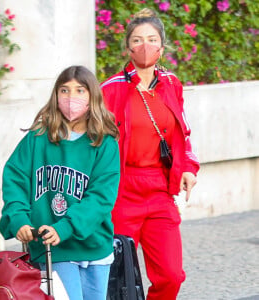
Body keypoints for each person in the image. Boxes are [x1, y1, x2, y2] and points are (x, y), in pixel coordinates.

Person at [101, 8, 200, 300]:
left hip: (158, 189)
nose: (145, 46)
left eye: (152, 39)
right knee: (118, 275)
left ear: (162, 46)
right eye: (137, 40)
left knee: (171, 275)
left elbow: (183, 132)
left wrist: (188, 167)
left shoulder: (171, 84)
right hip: (121, 189)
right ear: (128, 47)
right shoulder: (110, 90)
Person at [0, 65, 120, 300]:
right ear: (55, 95)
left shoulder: (104, 143)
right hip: (52, 246)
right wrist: (19, 219)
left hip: (95, 244)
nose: (71, 98)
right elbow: (15, 180)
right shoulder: (37, 138)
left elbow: (101, 197)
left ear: (92, 96)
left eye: (79, 91)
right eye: (64, 91)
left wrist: (67, 227)